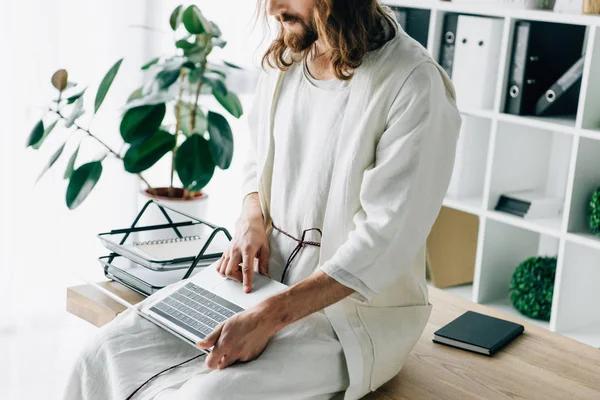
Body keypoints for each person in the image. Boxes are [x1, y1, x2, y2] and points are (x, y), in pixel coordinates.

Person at [63, 0, 462, 399]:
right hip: (260, 283)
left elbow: (385, 239)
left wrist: (269, 317)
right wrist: (250, 219)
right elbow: (257, 161)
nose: (272, 7)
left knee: (204, 397)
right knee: (98, 355)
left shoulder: (414, 84)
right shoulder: (288, 56)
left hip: (349, 318)